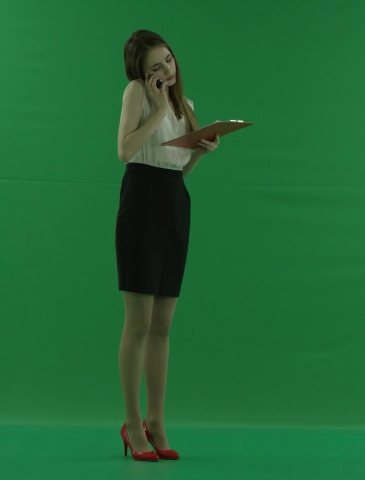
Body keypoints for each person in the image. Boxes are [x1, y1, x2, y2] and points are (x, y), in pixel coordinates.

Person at [116, 29, 219, 462]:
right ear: (142, 73)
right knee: (138, 322)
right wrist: (157, 112)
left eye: (169, 61)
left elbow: (176, 170)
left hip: (175, 205)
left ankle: (157, 422)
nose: (165, 71)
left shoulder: (187, 107)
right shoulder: (137, 93)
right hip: (140, 202)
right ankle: (132, 422)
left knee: (163, 325)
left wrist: (199, 152)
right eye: (155, 67)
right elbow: (125, 151)